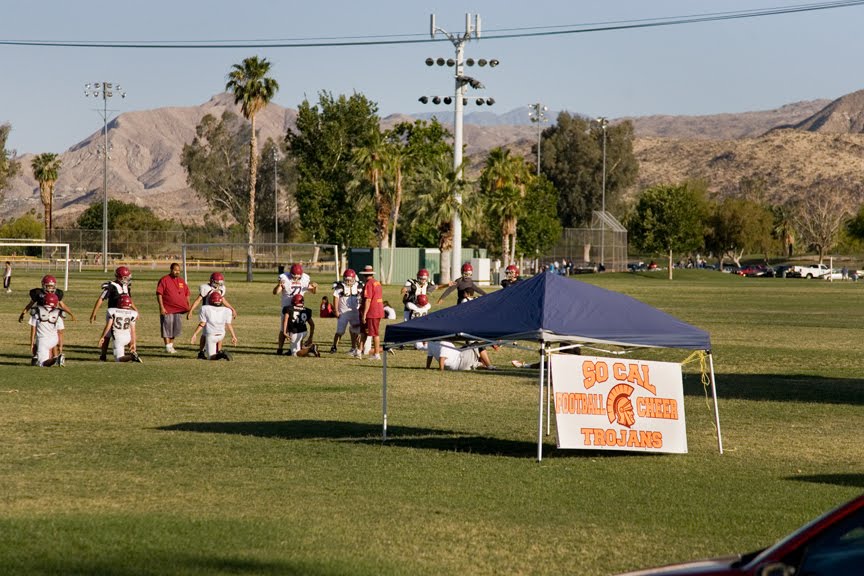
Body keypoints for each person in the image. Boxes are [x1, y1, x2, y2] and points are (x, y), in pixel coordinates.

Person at [19, 275, 75, 365]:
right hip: (41, 316)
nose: (50, 288)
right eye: (48, 286)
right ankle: (43, 356)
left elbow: (62, 305)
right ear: (43, 285)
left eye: (52, 286)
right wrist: (23, 313)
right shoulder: (38, 293)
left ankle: (55, 357)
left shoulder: (57, 294)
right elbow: (30, 304)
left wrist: (71, 313)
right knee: (42, 338)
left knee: (47, 338)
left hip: (51, 317)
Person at [90, 266, 135, 361]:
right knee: (108, 334)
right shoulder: (111, 286)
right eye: (125, 277)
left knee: (128, 332)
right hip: (113, 313)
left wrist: (135, 309)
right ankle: (103, 354)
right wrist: (94, 313)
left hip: (125, 313)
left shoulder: (126, 287)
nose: (127, 279)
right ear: (119, 277)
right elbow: (101, 299)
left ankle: (132, 352)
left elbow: (129, 300)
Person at [187, 272, 236, 359]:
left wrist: (232, 308)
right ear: (212, 281)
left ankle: (218, 351)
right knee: (205, 334)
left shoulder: (221, 289)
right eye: (217, 282)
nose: (218, 285)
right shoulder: (206, 288)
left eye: (220, 283)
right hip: (208, 313)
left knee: (218, 331)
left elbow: (223, 300)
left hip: (217, 312)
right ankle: (202, 351)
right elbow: (198, 300)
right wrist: (191, 310)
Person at [273, 263, 318, 355]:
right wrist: (279, 286)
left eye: (298, 277)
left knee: (298, 329)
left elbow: (313, 292)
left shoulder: (305, 278)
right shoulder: (284, 278)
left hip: (299, 308)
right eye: (294, 277)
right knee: (283, 329)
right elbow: (275, 292)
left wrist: (315, 287)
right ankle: (280, 349)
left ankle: (296, 348)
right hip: (287, 308)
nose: (297, 279)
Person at [156, 262, 190, 354]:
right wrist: (162, 307)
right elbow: (159, 294)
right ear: (171, 270)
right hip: (168, 309)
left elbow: (187, 293)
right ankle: (167, 346)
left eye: (178, 270)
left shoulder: (182, 281)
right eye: (175, 270)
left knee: (175, 328)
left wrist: (188, 305)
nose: (177, 272)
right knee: (167, 327)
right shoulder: (164, 280)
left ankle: (171, 346)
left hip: (179, 310)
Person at [98, 294, 142, 363]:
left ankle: (132, 357)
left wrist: (102, 336)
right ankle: (133, 354)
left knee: (118, 360)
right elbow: (133, 331)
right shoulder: (132, 313)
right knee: (120, 358)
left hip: (118, 337)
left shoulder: (112, 311)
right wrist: (133, 343)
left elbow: (108, 325)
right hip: (128, 337)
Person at [330, 268, 364, 356]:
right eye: (347, 280)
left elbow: (364, 297)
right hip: (343, 312)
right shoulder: (340, 286)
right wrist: (336, 310)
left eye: (350, 280)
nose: (348, 282)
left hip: (355, 312)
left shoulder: (359, 286)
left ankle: (355, 348)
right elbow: (336, 297)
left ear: (354, 279)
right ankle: (334, 346)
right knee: (340, 331)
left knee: (356, 331)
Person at [29, 292, 64, 367]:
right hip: (54, 339)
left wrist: (32, 342)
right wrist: (60, 346)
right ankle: (54, 358)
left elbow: (33, 328)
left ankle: (56, 359)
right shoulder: (58, 314)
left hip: (43, 340)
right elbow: (60, 332)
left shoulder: (37, 312)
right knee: (46, 359)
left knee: (42, 363)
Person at [359, 264, 384, 360]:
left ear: (365, 275)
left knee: (374, 334)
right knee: (374, 332)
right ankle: (375, 353)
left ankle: (376, 354)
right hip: (379, 310)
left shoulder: (368, 284)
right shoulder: (377, 282)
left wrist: (364, 314)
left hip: (372, 311)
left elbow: (368, 300)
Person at [425, 340, 496, 371]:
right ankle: (489, 366)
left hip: (458, 358)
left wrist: (427, 368)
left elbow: (429, 356)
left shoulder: (430, 343)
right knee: (478, 345)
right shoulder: (444, 342)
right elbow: (442, 358)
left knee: (469, 345)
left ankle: (480, 364)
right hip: (460, 361)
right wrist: (441, 370)